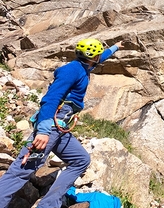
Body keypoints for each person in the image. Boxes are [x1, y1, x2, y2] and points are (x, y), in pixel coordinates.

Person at [0, 38, 123, 208]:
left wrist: (116, 47)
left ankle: (48, 205)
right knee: (21, 171)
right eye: (98, 54)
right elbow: (51, 99)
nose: (100, 56)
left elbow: (100, 58)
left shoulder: (84, 65)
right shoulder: (72, 71)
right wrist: (43, 131)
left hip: (61, 129)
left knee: (81, 160)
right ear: (92, 56)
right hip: (50, 127)